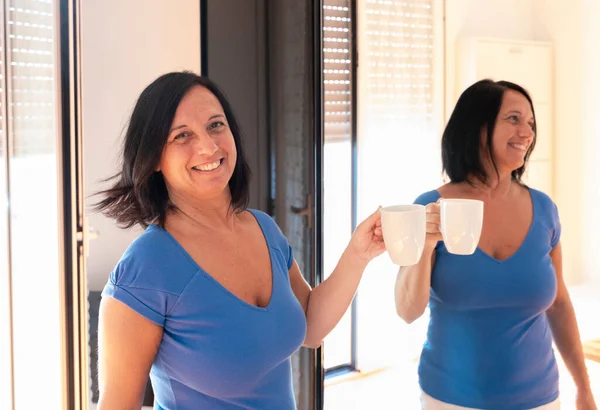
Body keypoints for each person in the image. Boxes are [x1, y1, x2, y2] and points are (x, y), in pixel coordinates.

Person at [94, 71, 385, 410]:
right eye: (182, 135)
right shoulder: (145, 268)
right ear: (154, 158)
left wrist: (359, 253)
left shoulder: (264, 229)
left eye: (216, 125)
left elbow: (311, 328)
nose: (208, 146)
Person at [394, 79, 597, 410]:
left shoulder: (544, 209)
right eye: (514, 118)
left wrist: (583, 388)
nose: (527, 132)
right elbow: (407, 310)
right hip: (450, 399)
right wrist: (426, 244)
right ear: (478, 126)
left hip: (541, 399)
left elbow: (559, 304)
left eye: (530, 122)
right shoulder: (430, 207)